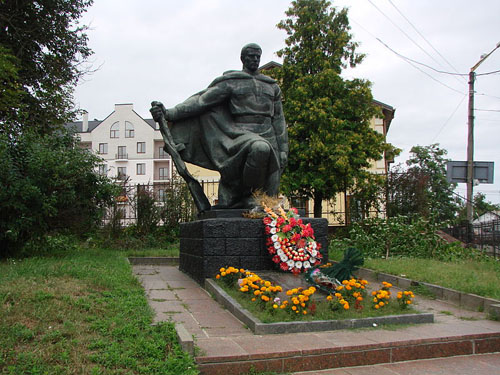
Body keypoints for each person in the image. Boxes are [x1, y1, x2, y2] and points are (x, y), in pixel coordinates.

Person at [150, 43, 288, 209]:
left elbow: (279, 120)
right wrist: (169, 113)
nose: (255, 59)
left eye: (258, 56)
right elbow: (201, 101)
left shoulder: (271, 86)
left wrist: (283, 150)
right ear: (243, 59)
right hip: (240, 134)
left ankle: (257, 205)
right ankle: (247, 196)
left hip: (269, 133)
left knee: (270, 190)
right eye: (251, 56)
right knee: (260, 149)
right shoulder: (232, 82)